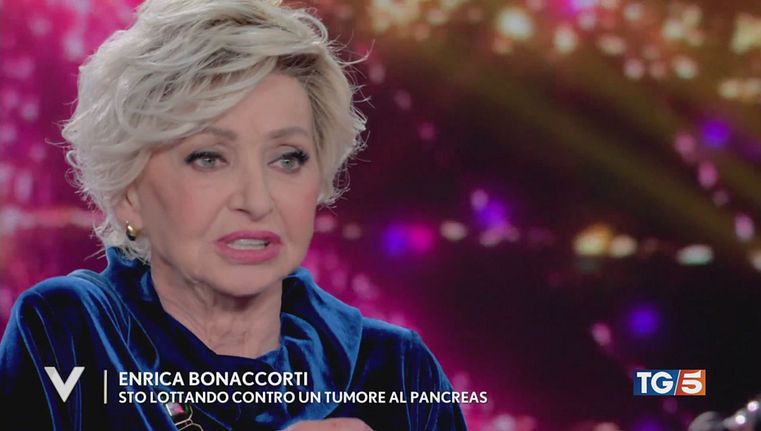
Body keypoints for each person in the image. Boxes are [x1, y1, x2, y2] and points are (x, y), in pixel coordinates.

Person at [0, 0, 467, 430]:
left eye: (287, 158)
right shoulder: (69, 329)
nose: (257, 200)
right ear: (129, 193)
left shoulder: (397, 370)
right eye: (209, 158)